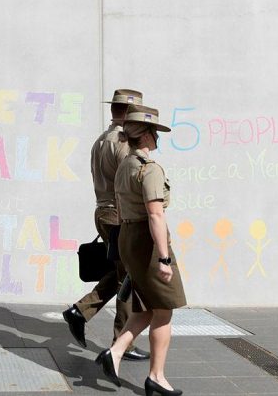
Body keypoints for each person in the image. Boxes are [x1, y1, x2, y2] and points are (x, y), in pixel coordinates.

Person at [95, 104, 186, 396]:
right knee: (165, 310)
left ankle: (116, 352)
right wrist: (163, 258)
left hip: (128, 238)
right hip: (148, 241)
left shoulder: (124, 165)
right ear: (146, 135)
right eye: (155, 132)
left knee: (146, 308)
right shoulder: (149, 169)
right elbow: (156, 215)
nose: (158, 137)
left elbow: (121, 207)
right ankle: (156, 376)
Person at [63, 89, 149, 361]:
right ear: (125, 113)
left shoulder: (101, 140)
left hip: (103, 210)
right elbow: (130, 181)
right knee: (129, 277)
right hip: (118, 214)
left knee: (122, 271)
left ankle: (81, 311)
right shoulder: (123, 143)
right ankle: (120, 343)